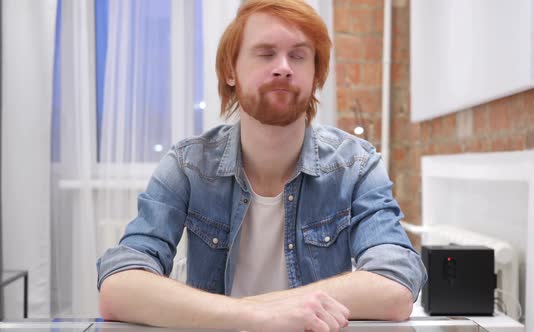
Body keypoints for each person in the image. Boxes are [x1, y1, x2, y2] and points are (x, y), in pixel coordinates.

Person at [97, 0, 427, 331]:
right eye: (265, 53)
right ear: (230, 71)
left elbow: (395, 283)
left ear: (316, 75)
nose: (283, 67)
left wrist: (259, 306)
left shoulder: (355, 165)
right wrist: (257, 316)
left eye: (298, 55)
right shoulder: (188, 165)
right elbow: (119, 286)